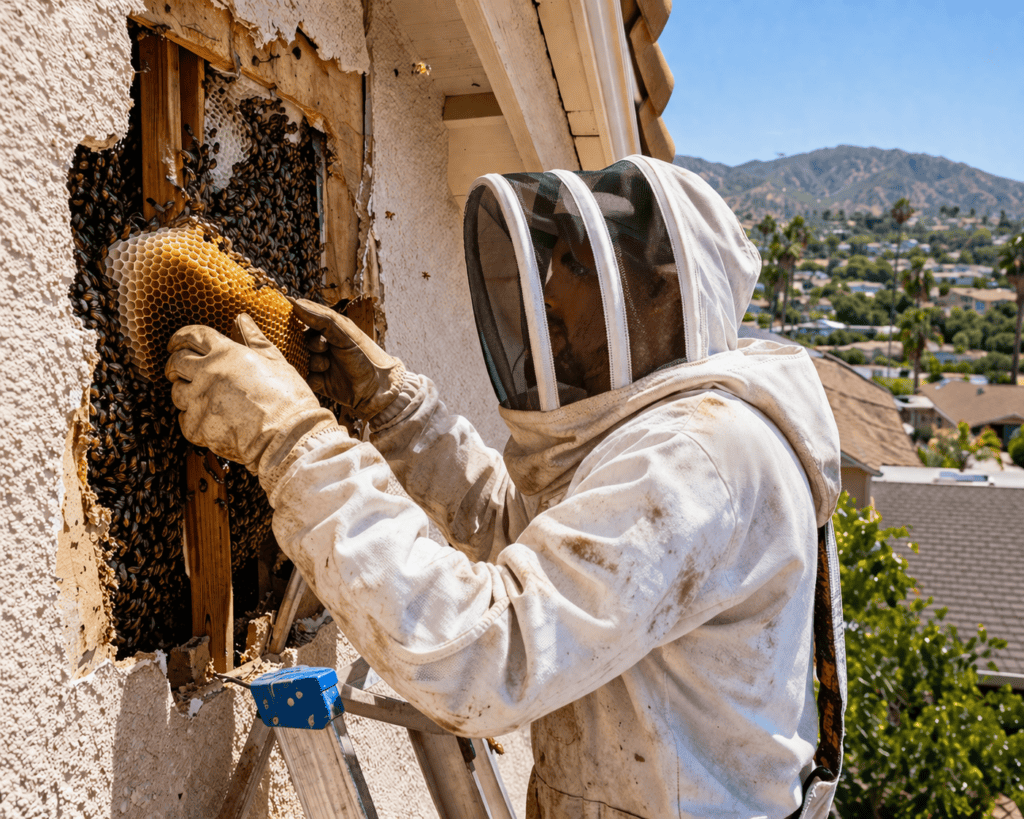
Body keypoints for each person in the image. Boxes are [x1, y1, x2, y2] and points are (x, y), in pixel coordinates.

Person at [165, 157, 844, 818]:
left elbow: (480, 654)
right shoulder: (676, 435)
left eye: (573, 264)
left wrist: (290, 440)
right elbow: (522, 538)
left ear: (660, 291)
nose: (547, 289)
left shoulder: (698, 456)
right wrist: (395, 410)